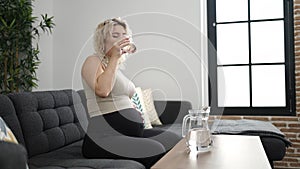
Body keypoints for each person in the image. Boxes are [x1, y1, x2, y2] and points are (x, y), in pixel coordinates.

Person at [81, 17, 181, 169]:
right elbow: (103, 90)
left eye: (123, 35)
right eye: (115, 35)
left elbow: (121, 96)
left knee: (176, 142)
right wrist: (115, 56)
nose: (121, 38)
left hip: (129, 133)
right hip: (103, 136)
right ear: (102, 40)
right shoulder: (93, 60)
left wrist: (133, 112)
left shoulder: (115, 68)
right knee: (155, 150)